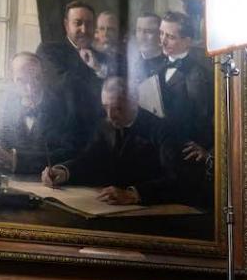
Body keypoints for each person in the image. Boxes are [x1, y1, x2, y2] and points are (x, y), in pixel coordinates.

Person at [41, 77, 188, 206]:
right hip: (110, 206)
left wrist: (133, 194)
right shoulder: (104, 126)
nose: (110, 116)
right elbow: (89, 160)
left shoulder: (162, 130)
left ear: (134, 100)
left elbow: (177, 179)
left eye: (117, 108)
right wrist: (64, 171)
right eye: (106, 107)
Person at [0, 52, 80, 174]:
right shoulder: (5, 107)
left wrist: (15, 159)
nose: (30, 88)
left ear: (43, 75)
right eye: (22, 80)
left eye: (36, 78)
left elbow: (69, 154)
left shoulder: (63, 108)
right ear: (12, 79)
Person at [36, 0, 104, 142]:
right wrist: (97, 78)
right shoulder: (49, 51)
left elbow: (112, 97)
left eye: (89, 24)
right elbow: (65, 85)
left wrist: (97, 69)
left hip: (96, 138)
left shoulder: (103, 59)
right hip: (60, 137)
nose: (84, 30)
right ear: (66, 25)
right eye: (78, 23)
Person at [156, 10, 214, 162]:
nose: (162, 41)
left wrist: (204, 148)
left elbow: (205, 119)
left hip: (183, 154)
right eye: (161, 34)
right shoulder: (161, 64)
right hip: (159, 147)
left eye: (170, 37)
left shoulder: (197, 76)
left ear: (187, 41)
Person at [128, 12, 166, 89]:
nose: (142, 37)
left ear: (160, 35)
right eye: (139, 30)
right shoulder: (131, 62)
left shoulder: (168, 66)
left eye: (148, 31)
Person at [90, 10, 124, 79]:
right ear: (96, 32)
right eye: (102, 29)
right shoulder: (90, 55)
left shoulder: (125, 55)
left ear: (118, 32)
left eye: (110, 29)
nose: (105, 34)